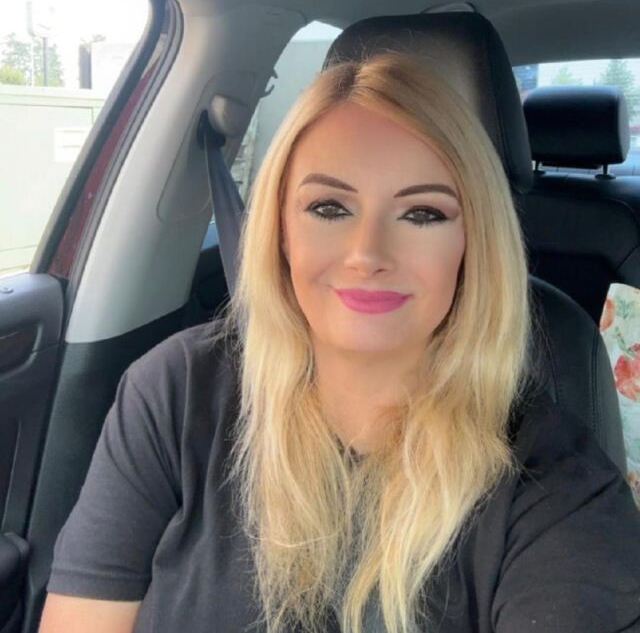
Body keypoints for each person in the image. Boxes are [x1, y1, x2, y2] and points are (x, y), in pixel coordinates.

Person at [40, 54, 640, 633]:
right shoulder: (175, 393)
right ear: (280, 230)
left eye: (422, 213)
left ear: (473, 242)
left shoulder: (553, 482)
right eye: (329, 207)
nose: (366, 255)